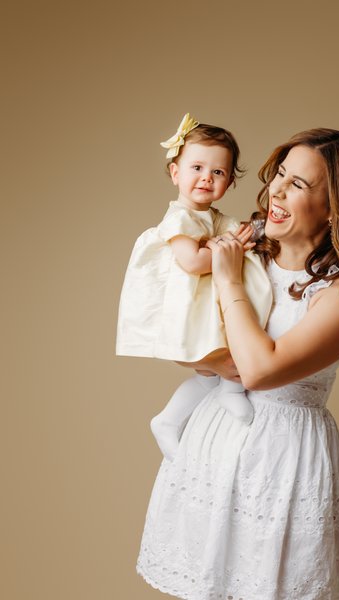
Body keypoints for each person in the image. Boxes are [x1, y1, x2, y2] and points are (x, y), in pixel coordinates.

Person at [136, 128, 339, 599]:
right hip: (215, 434)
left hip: (286, 459)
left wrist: (227, 278)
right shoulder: (247, 244)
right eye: (280, 174)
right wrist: (209, 359)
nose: (275, 190)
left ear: (336, 206)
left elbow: (259, 369)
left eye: (298, 184)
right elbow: (180, 329)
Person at [116, 114, 272, 460]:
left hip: (207, 305)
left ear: (230, 181)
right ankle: (226, 393)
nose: (206, 178)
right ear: (176, 173)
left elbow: (242, 231)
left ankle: (170, 419)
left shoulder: (214, 217)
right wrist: (231, 245)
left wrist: (248, 234)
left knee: (215, 366)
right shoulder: (180, 217)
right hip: (188, 307)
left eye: (218, 172)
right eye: (197, 167)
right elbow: (192, 262)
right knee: (218, 362)